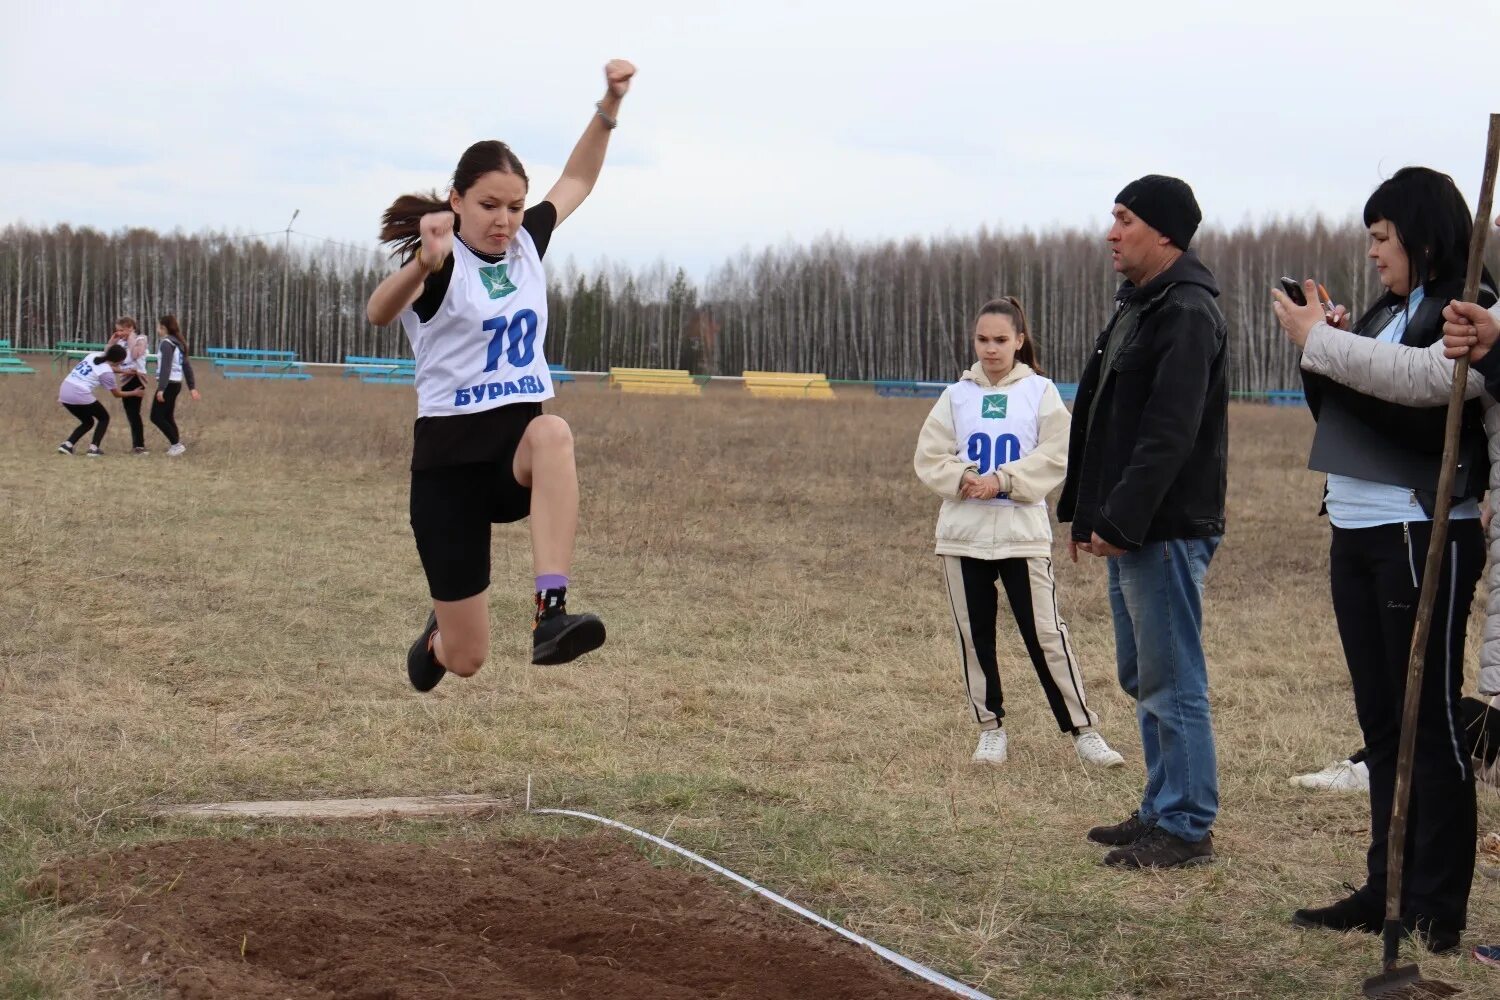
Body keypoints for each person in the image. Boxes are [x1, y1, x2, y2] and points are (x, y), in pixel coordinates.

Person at [1272, 168, 1496, 954]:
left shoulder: (1470, 306)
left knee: (1427, 723)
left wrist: (1327, 343)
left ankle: (1437, 906)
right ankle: (1385, 887)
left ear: (1422, 236)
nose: (1371, 253)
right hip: (1357, 529)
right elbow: (1342, 402)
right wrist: (1321, 349)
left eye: (1381, 237)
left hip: (1422, 532)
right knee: (1379, 723)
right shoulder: (1386, 311)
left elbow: (1427, 389)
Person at [366, 59, 635, 692]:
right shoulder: (438, 263)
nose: (504, 220)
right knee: (468, 659)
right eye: (489, 205)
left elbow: (577, 178)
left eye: (514, 206)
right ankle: (438, 640)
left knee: (555, 433)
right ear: (455, 201)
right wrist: (422, 263)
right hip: (449, 471)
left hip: (512, 456)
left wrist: (610, 102)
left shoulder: (525, 245)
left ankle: (551, 614)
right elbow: (379, 312)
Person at [1058, 174, 1229, 870]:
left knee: (1172, 676)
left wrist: (1121, 520)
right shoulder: (1142, 304)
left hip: (1164, 526)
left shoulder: (1185, 311)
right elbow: (1102, 416)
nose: (1111, 231)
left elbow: (1167, 434)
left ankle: (1187, 825)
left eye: (1124, 218)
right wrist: (1083, 511)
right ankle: (1162, 806)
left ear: (1162, 231)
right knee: (1142, 672)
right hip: (1135, 526)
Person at [913, 296, 1125, 770]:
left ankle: (1083, 729)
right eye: (982, 340)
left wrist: (1005, 480)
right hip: (962, 538)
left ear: (1019, 342)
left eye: (1001, 340)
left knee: (1047, 634)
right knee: (973, 635)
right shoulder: (956, 396)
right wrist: (963, 476)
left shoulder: (1040, 392)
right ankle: (991, 729)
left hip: (1021, 537)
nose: (991, 349)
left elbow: (1059, 451)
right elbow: (929, 455)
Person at [57, 343, 134, 456]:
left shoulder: (93, 355)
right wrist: (135, 393)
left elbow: (102, 367)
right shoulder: (107, 373)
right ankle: (94, 448)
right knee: (104, 418)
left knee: (88, 422)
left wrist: (124, 371)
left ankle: (67, 445)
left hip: (65, 390)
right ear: (119, 361)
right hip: (79, 392)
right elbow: (117, 394)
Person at [150, 314, 199, 456]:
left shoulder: (166, 343)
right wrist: (192, 387)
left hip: (168, 384)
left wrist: (161, 389)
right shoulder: (178, 343)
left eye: (159, 327)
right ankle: (175, 445)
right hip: (176, 383)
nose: (158, 330)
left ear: (164, 328)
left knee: (156, 416)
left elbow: (165, 367)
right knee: (168, 415)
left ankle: (176, 444)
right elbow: (187, 367)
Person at [108, 317, 152, 455]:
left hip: (137, 377)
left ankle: (139, 445)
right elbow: (109, 359)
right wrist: (112, 342)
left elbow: (135, 354)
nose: (119, 333)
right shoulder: (120, 342)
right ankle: (137, 445)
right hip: (125, 378)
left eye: (122, 330)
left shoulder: (141, 339)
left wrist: (131, 337)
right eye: (117, 330)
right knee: (130, 413)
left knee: (134, 413)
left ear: (131, 327)